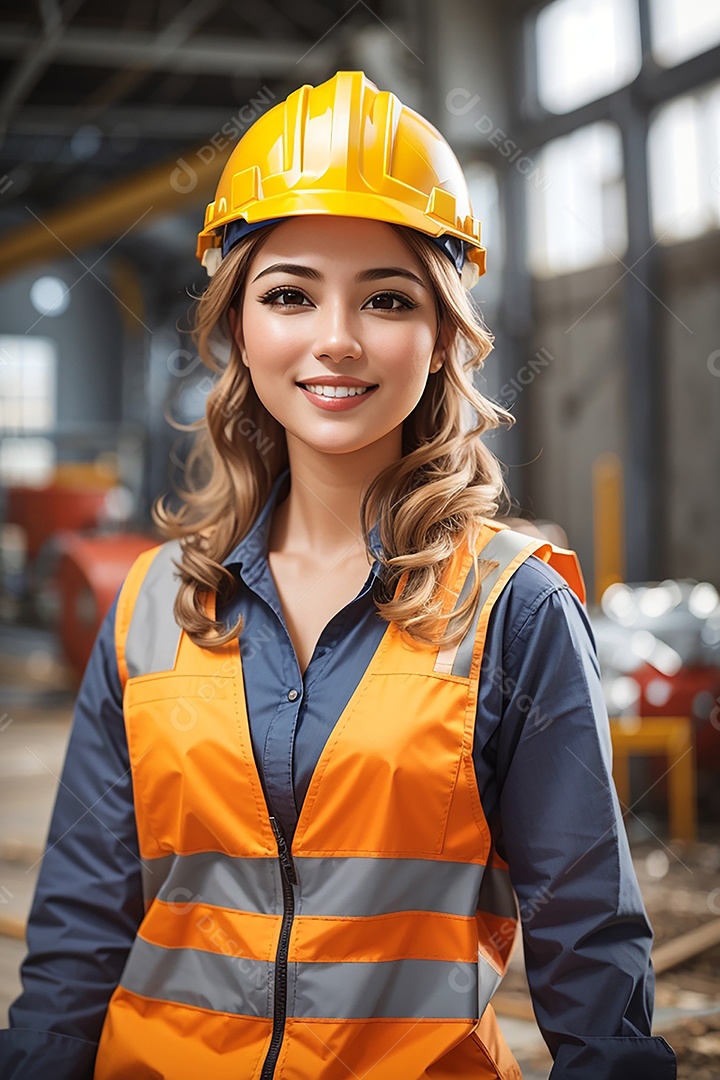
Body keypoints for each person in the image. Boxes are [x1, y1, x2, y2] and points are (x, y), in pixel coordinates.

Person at [0, 71, 676, 1080]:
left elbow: (590, 957)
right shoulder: (152, 604)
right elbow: (78, 935)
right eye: (289, 294)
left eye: (387, 299)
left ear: (441, 336)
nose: (337, 340)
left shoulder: (514, 608)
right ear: (239, 327)